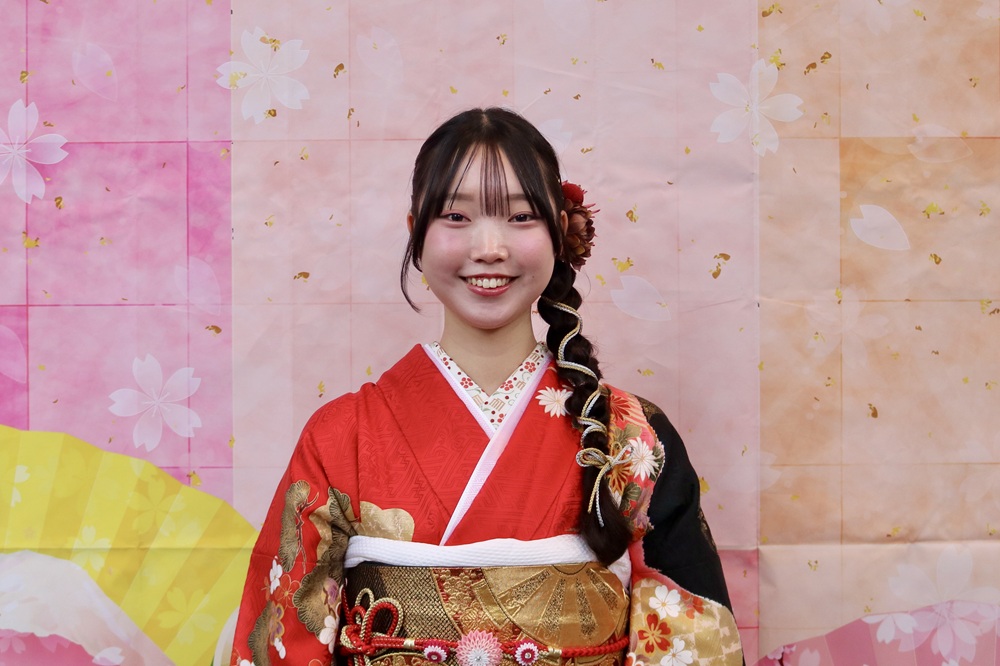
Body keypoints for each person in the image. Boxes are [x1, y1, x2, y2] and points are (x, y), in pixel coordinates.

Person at [230, 107, 744, 666]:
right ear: (416, 232)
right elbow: (282, 644)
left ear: (560, 232)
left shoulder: (630, 437)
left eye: (521, 217)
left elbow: (694, 646)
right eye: (457, 216)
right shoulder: (342, 437)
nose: (490, 247)